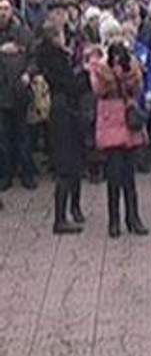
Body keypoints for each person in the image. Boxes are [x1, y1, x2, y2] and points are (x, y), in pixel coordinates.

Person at [88, 32, 150, 238]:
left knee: (129, 178)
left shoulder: (131, 67)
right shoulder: (100, 69)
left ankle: (134, 218)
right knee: (113, 177)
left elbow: (138, 88)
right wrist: (109, 73)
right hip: (110, 122)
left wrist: (129, 72)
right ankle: (114, 221)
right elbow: (98, 90)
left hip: (128, 122)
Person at [36, 22, 89, 234]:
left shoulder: (53, 57)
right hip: (64, 113)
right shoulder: (56, 60)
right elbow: (70, 86)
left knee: (73, 163)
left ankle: (74, 208)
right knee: (67, 166)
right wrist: (84, 75)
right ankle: (60, 218)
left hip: (64, 113)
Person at [0, 0, 37, 190]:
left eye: (6, 8)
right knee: (3, 138)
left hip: (20, 92)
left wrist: (28, 74)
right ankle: (6, 174)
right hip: (2, 93)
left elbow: (34, 58)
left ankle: (27, 173)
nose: (2, 13)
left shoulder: (24, 34)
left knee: (24, 135)